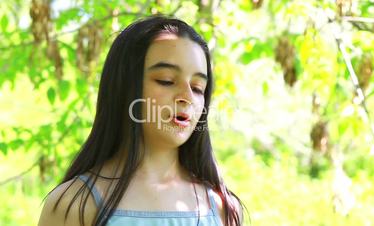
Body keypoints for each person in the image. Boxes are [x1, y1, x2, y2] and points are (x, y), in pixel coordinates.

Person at [38, 15, 244, 226]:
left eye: (198, 88)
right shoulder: (74, 206)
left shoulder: (222, 209)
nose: (188, 97)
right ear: (123, 87)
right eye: (166, 80)